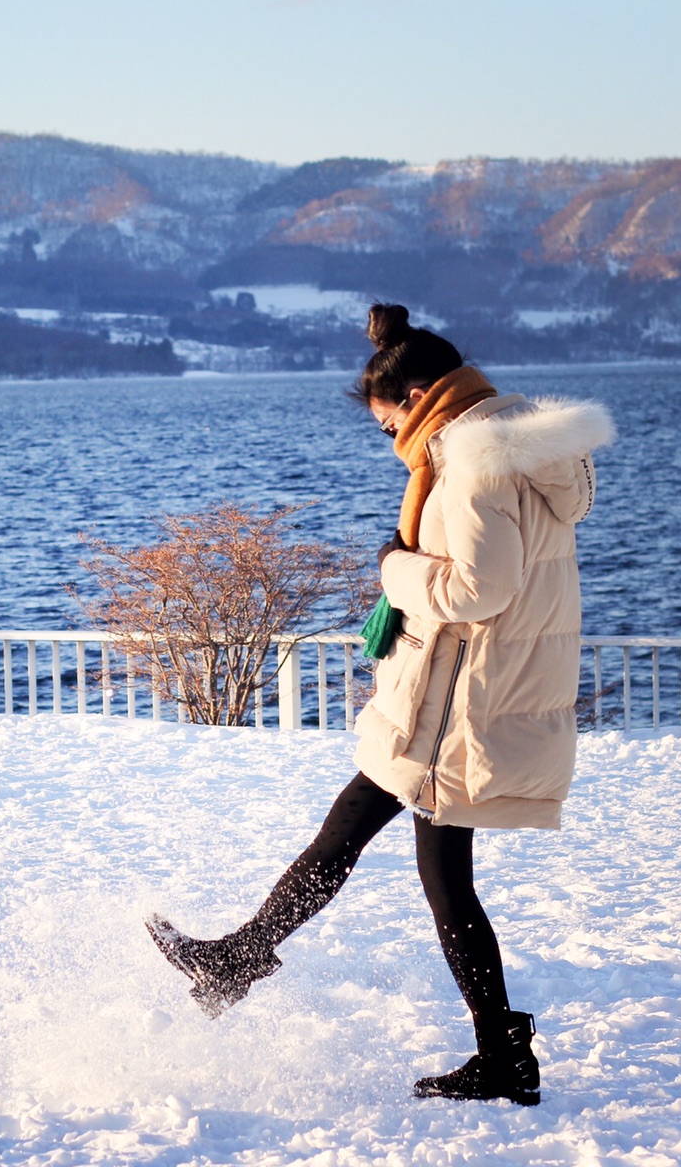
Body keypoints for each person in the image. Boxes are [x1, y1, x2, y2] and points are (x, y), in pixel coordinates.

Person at [148, 302, 614, 1105]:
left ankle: (250, 963)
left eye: (387, 419)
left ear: (424, 396)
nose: (389, 437)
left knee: (424, 870)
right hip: (463, 697)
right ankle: (244, 960)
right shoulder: (518, 451)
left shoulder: (473, 467)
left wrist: (394, 570)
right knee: (383, 847)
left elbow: (479, 589)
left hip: (457, 708)